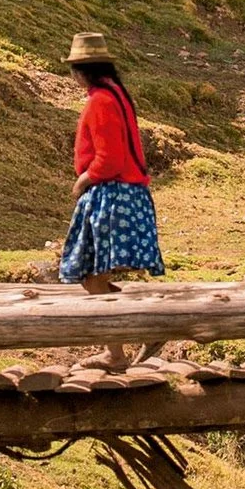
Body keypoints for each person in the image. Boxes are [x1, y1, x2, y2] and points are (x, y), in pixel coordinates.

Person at [59, 31, 164, 305]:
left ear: (81, 72)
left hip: (112, 197)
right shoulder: (116, 93)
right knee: (95, 278)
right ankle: (134, 332)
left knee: (93, 278)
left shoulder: (100, 101)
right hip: (127, 194)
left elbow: (110, 159)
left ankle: (119, 346)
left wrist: (84, 179)